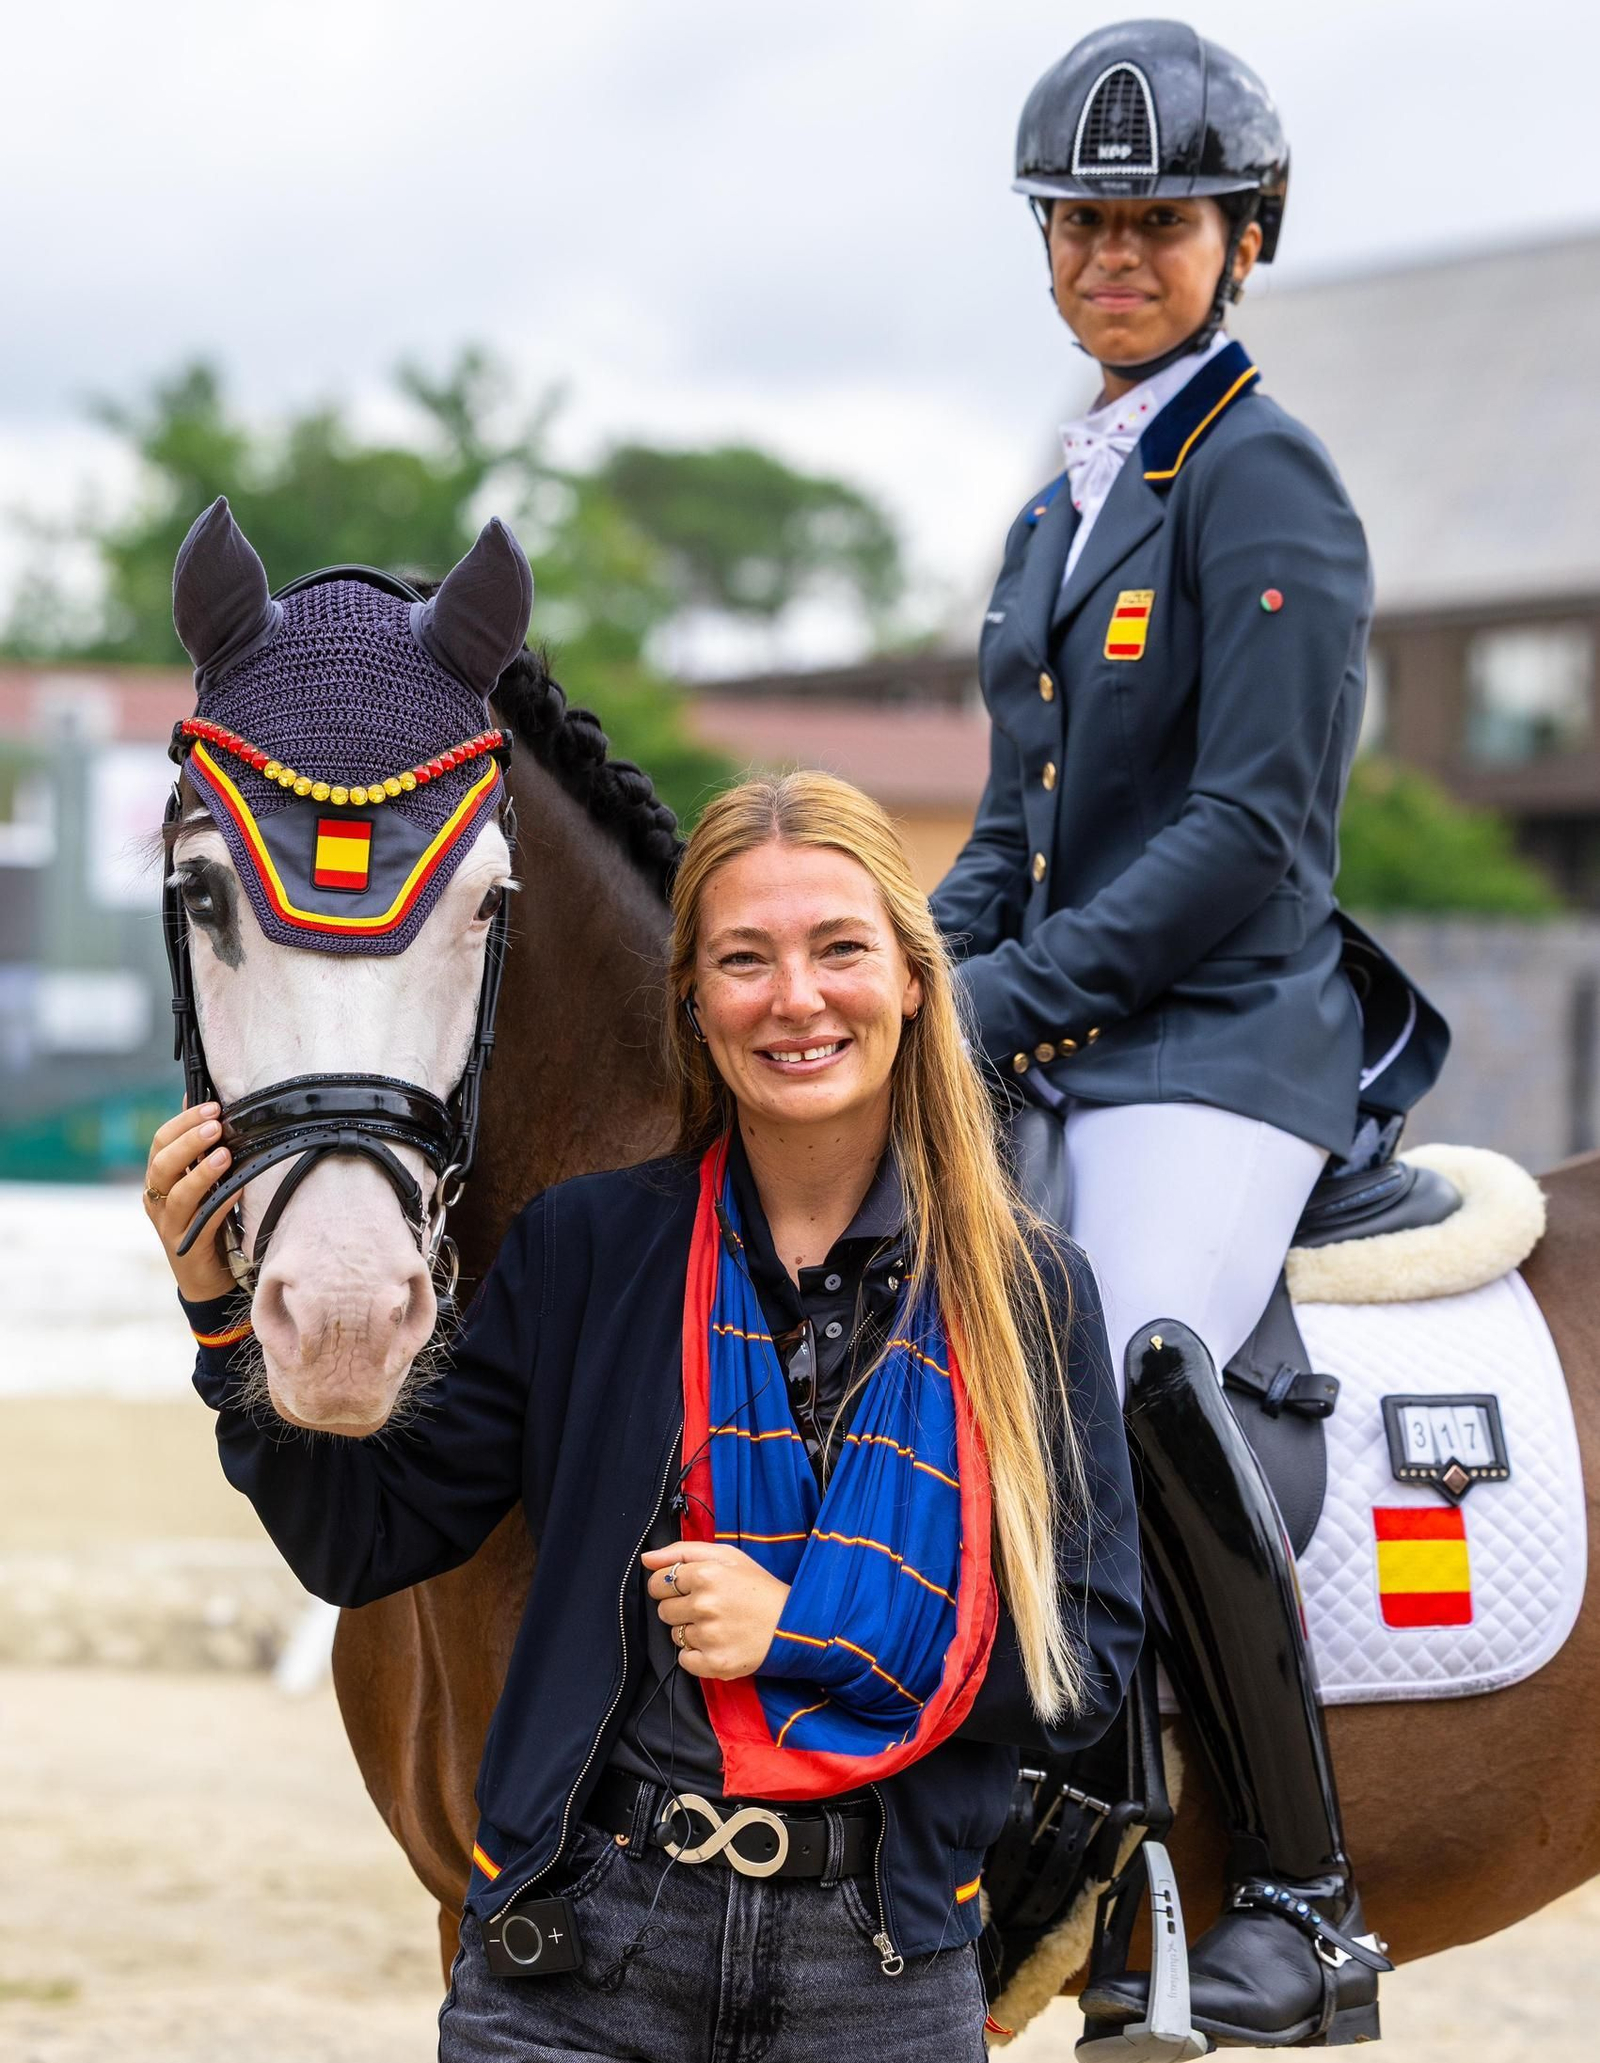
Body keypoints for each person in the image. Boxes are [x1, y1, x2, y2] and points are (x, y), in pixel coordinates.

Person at [146, 769, 1142, 2062]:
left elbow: (1091, 1667)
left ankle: (1281, 1885)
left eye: (839, 948)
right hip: (582, 1956)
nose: (795, 997)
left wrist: (806, 1627)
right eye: (744, 958)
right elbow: (362, 1541)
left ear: (909, 976)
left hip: (882, 1975)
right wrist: (221, 1318)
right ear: (693, 999)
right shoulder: (586, 1250)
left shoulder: (1028, 1292)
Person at [930, 20, 1448, 2049]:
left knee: (1132, 1345)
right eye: (1080, 226)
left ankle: (1301, 1902)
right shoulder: (1059, 508)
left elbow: (1248, 839)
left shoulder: (1261, 477)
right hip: (1067, 1040)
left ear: (1243, 240)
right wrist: (899, 989)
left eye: (1155, 226)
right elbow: (1003, 843)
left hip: (1227, 1046)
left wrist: (999, 1005)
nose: (1110, 260)